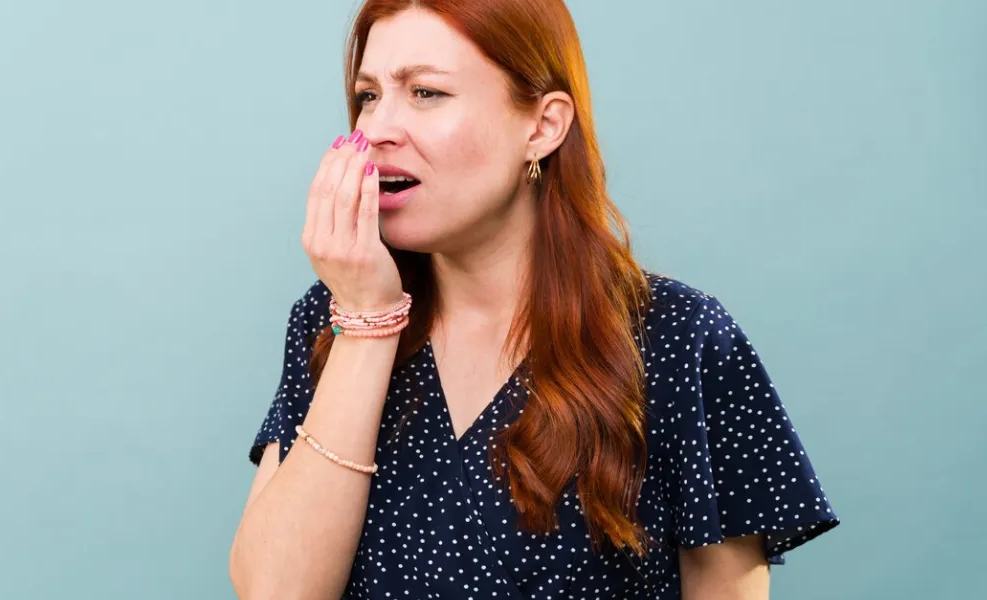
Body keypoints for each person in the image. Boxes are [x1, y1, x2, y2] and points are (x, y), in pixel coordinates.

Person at [229, 1, 839, 598]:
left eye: (425, 92)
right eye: (368, 95)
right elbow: (277, 592)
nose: (376, 129)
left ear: (543, 126)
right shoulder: (331, 315)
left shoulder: (680, 338)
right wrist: (367, 324)